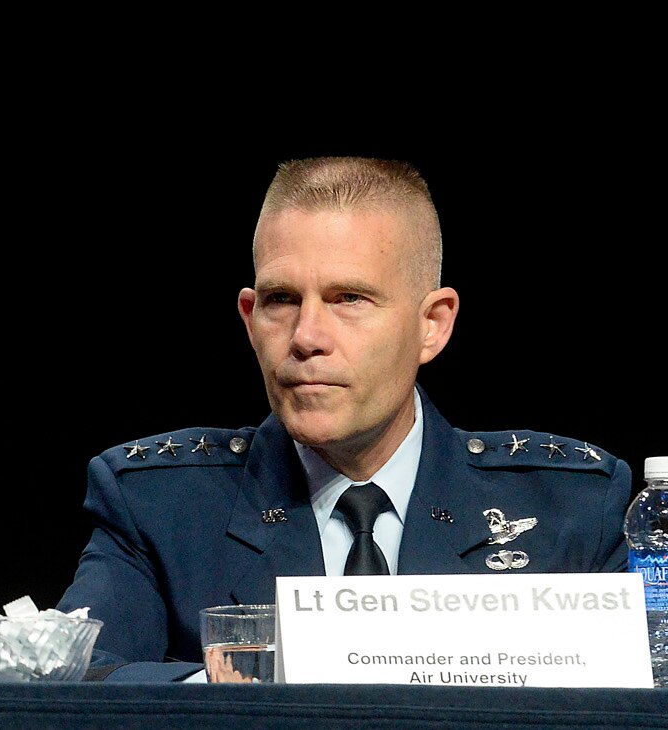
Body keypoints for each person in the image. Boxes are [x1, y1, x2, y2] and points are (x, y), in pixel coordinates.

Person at [55, 157, 634, 682]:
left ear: (432, 324)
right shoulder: (160, 509)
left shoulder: (573, 515)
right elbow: (72, 680)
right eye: (282, 300)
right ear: (251, 318)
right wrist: (227, 695)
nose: (307, 337)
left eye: (349, 299)